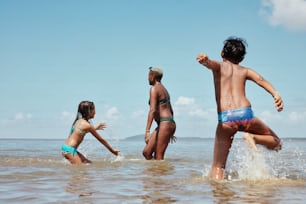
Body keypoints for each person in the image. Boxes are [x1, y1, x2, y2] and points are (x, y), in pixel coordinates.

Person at [196, 37, 284, 180]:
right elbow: (260, 80)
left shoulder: (219, 66)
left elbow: (210, 64)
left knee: (218, 166)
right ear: (242, 58)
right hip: (246, 115)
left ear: (222, 54)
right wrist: (275, 93)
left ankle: (219, 198)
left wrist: (205, 60)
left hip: (226, 119)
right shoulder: (245, 70)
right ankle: (253, 137)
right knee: (276, 142)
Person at [143, 67, 176, 160]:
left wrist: (147, 131)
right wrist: (170, 130)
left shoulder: (154, 89)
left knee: (158, 157)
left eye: (148, 75)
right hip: (166, 124)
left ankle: (160, 173)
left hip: (165, 123)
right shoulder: (164, 90)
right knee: (146, 153)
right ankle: (154, 174)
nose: (147, 78)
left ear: (152, 76)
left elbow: (152, 110)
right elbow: (171, 110)